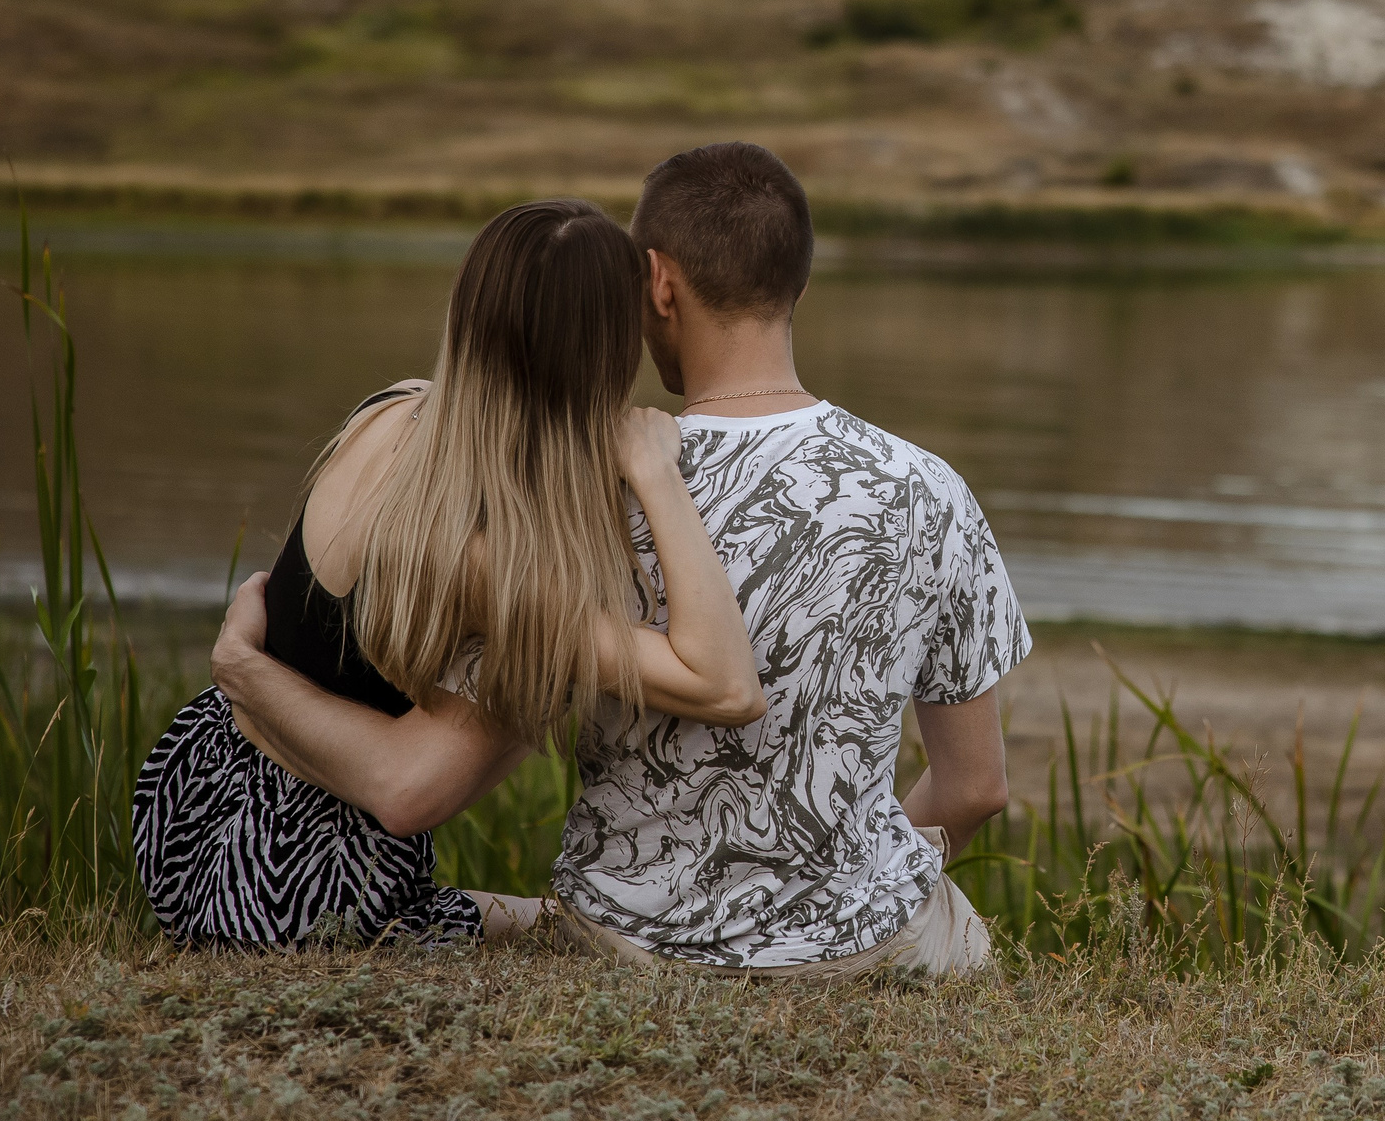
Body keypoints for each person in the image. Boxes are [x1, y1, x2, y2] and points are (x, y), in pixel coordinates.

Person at [136, 199, 767, 948]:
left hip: (191, 798)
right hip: (297, 882)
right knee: (585, 933)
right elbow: (725, 684)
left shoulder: (389, 411)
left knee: (555, 901)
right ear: (601, 349)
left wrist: (241, 669)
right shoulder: (483, 555)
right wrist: (654, 474)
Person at [549, 141, 1027, 976]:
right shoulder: (930, 488)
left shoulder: (588, 482)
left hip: (628, 940)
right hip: (863, 947)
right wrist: (830, 895)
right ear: (797, 284)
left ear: (658, 281)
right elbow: (976, 786)